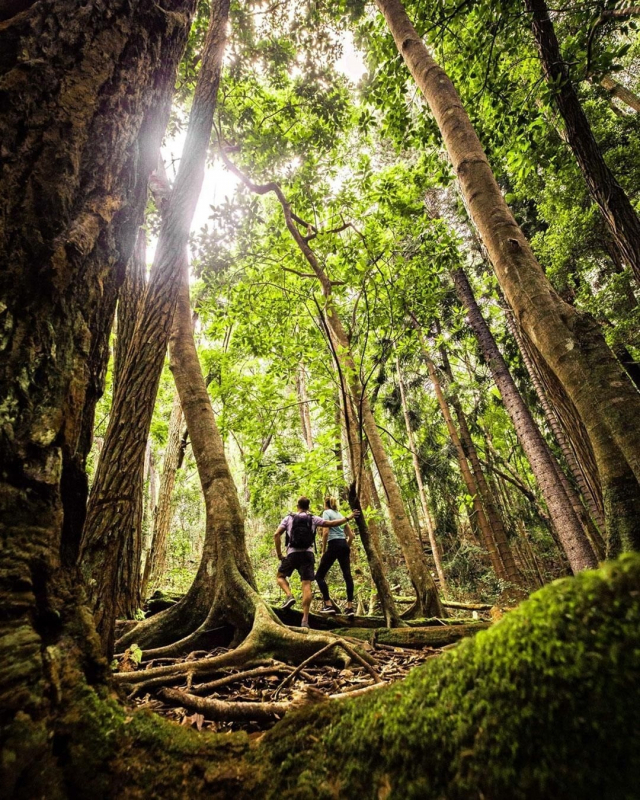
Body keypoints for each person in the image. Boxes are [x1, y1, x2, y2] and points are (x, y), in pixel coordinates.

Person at [275, 496, 358, 628]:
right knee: (307, 584)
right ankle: (305, 620)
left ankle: (289, 595)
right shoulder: (313, 518)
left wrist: (279, 554)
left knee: (280, 576)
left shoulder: (289, 518)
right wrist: (348, 517)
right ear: (308, 507)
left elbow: (276, 534)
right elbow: (331, 524)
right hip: (308, 555)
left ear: (297, 506)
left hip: (292, 554)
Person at [315, 497, 356, 616]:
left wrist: (323, 551)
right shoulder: (340, 514)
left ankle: (328, 604)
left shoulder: (326, 513)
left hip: (333, 545)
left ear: (325, 503)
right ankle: (349, 607)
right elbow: (351, 536)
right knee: (347, 575)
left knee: (319, 576)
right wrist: (345, 547)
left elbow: (326, 532)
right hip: (343, 544)